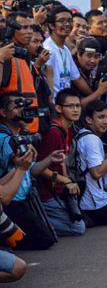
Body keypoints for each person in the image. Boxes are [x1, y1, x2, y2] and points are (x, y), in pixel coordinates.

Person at [0, 92, 64, 250]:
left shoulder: (20, 137)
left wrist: (49, 159)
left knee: (48, 237)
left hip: (26, 200)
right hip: (10, 203)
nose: (23, 110)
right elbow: (19, 167)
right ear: (3, 112)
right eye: (17, 106)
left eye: (24, 105)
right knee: (44, 239)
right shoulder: (4, 139)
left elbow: (32, 170)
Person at [37, 88, 86, 236]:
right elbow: (40, 168)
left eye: (78, 106)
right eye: (70, 106)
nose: (76, 110)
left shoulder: (69, 129)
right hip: (45, 192)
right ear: (58, 108)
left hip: (59, 190)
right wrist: (65, 181)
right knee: (78, 228)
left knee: (83, 221)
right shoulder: (53, 132)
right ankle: (37, 223)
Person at [1, 11, 42, 133]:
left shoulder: (25, 56)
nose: (29, 32)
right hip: (11, 130)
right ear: (11, 30)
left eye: (31, 27)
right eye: (24, 27)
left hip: (30, 127)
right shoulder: (6, 56)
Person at [43, 6, 92, 101]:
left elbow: (77, 79)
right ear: (52, 25)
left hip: (66, 106)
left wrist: (95, 95)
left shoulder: (65, 49)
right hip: (55, 106)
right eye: (62, 21)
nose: (67, 24)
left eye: (70, 21)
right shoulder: (48, 49)